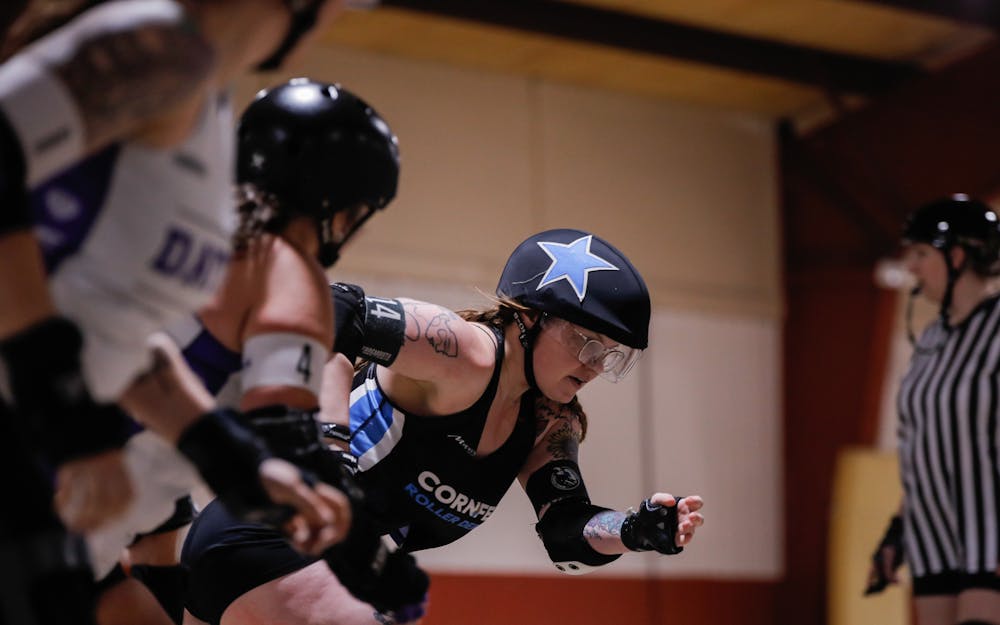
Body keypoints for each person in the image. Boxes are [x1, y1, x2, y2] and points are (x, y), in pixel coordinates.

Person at [0, 2, 351, 624]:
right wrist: (61, 401)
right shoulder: (164, 47)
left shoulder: (211, 111)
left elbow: (118, 328)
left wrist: (227, 455)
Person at [180, 228, 706, 625]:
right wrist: (328, 451)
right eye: (585, 342)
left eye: (609, 355)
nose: (594, 365)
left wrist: (632, 531)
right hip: (265, 534)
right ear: (528, 316)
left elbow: (565, 532)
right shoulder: (466, 355)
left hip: (316, 566)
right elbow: (328, 312)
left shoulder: (549, 419)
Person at [87, 76, 423, 625]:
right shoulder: (286, 272)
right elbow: (289, 443)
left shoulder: (179, 229)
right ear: (337, 205)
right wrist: (370, 557)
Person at [866, 194, 1000, 625]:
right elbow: (926, 446)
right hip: (935, 536)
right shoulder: (930, 342)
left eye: (922, 253)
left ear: (957, 256)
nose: (912, 266)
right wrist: (897, 533)